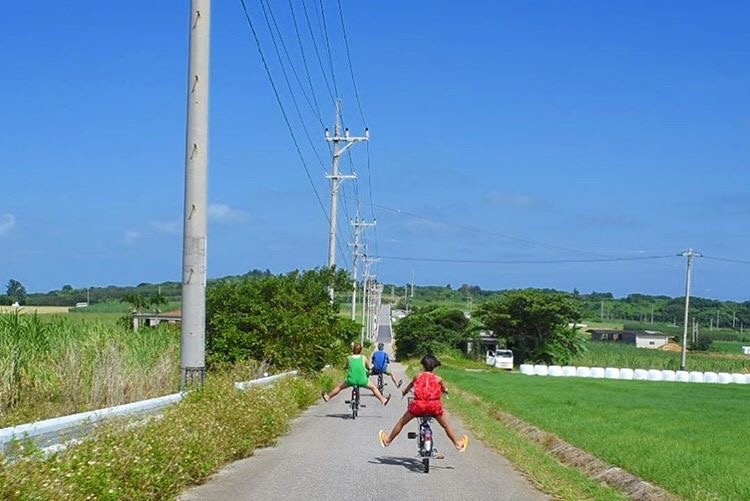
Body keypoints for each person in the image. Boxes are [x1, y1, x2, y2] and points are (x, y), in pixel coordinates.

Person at [378, 354, 468, 452]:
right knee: (446, 425)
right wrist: (445, 390)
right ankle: (457, 443)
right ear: (434, 367)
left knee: (402, 422)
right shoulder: (438, 379)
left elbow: (409, 387)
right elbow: (444, 388)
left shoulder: (417, 376)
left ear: (423, 366)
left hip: (418, 406)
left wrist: (405, 391)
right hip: (434, 407)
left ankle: (388, 440)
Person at [322, 343, 391, 405]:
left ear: (353, 349)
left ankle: (328, 396)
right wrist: (368, 369)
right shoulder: (363, 358)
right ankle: (383, 399)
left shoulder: (349, 358)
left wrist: (346, 367)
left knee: (339, 387)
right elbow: (368, 367)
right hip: (362, 380)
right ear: (361, 350)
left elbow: (346, 366)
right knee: (374, 388)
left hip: (351, 380)